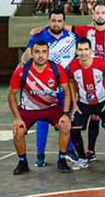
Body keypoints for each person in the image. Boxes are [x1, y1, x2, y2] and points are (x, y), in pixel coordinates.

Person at [23, 10, 77, 167]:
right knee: (42, 120)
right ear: (49, 21)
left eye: (59, 21)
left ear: (64, 22)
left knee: (66, 119)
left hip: (66, 85)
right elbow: (26, 56)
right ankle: (40, 154)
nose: (56, 24)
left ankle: (70, 150)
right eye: (53, 21)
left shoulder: (72, 36)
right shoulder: (39, 37)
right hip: (45, 86)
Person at [9, 41, 72, 175]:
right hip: (28, 109)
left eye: (44, 52)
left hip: (51, 107)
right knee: (18, 131)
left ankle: (62, 159)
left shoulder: (57, 69)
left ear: (48, 54)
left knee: (65, 126)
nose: (40, 55)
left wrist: (66, 114)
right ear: (31, 53)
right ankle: (22, 162)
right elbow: (11, 95)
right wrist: (16, 118)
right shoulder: (21, 72)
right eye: (37, 52)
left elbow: (67, 92)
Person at [67, 38, 105, 170]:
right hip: (83, 103)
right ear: (76, 51)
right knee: (74, 130)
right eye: (80, 49)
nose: (83, 53)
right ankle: (82, 158)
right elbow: (71, 82)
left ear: (91, 50)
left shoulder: (101, 64)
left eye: (86, 49)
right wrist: (75, 102)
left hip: (102, 101)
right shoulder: (72, 66)